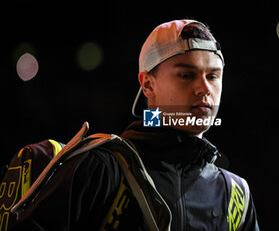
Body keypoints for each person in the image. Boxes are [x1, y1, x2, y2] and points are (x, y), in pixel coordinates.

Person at [8, 19, 259, 231]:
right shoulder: (99, 169)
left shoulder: (235, 196)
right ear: (148, 84)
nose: (205, 88)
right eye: (186, 74)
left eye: (213, 76)